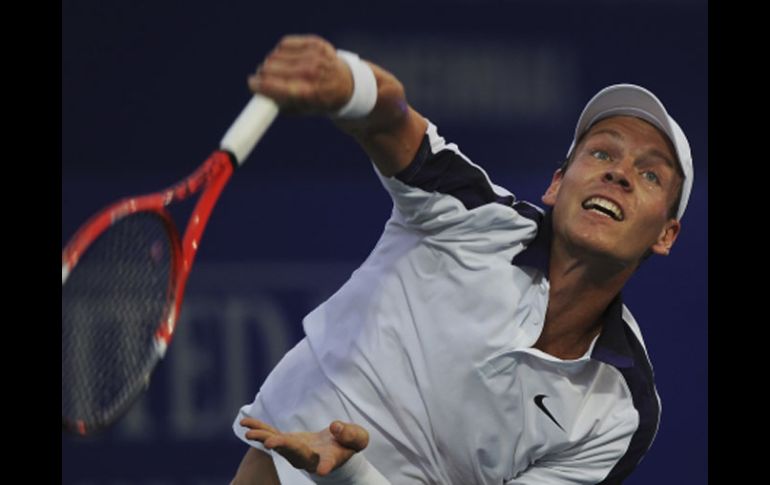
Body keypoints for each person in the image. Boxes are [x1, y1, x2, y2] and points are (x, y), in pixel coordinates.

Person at [230, 33, 693, 485]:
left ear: (666, 234)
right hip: (278, 464)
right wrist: (347, 81)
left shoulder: (618, 411)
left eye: (650, 173)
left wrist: (351, 473)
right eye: (601, 152)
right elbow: (390, 118)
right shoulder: (473, 214)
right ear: (556, 185)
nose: (619, 173)